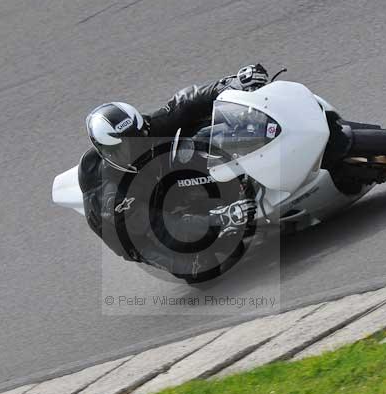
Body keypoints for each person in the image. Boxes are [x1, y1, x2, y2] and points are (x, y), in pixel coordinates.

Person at [79, 64, 269, 282]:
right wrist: (222, 218)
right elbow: (163, 228)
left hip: (155, 184)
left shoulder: (143, 131)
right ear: (107, 153)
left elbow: (182, 105)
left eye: (137, 138)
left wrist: (229, 85)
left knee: (195, 136)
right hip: (143, 234)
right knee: (202, 268)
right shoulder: (114, 197)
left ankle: (241, 179)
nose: (136, 148)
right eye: (126, 148)